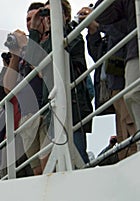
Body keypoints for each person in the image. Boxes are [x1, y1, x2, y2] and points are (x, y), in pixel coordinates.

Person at [27, 0, 93, 164]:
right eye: (46, 14)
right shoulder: (48, 41)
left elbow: (53, 61)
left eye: (53, 13)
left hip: (73, 105)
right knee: (56, 161)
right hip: (53, 108)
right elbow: (34, 60)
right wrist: (35, 29)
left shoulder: (73, 34)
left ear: (66, 16)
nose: (49, 18)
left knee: (76, 152)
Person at [77, 6, 137, 160]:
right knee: (124, 131)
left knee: (130, 124)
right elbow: (98, 55)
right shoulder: (110, 27)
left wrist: (100, 24)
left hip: (125, 80)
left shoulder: (125, 13)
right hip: (115, 85)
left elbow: (124, 32)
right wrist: (93, 32)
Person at [3, 2, 51, 175]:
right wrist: (15, 55)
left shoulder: (44, 43)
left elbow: (41, 70)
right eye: (27, 20)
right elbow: (8, 89)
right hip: (27, 117)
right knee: (37, 171)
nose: (30, 23)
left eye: (33, 19)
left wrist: (26, 44)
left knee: (48, 165)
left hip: (45, 110)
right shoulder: (24, 52)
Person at [93, 0, 140, 147]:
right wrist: (94, 31)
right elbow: (105, 15)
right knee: (132, 94)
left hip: (128, 56)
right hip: (134, 50)